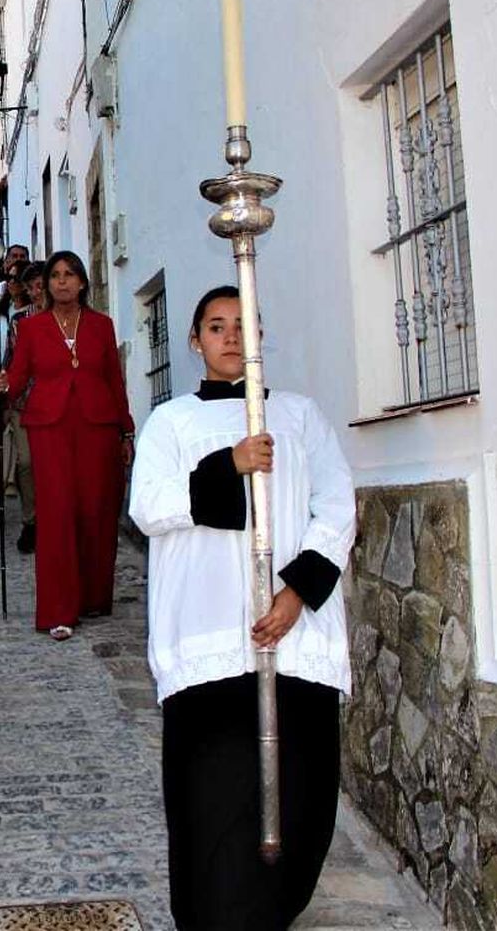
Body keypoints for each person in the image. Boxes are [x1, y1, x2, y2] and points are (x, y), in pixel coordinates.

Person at [128, 286, 355, 931]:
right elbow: (150, 506)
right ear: (195, 340)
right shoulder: (170, 423)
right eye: (216, 326)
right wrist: (228, 462)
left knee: (299, 795)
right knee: (214, 797)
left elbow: (337, 504)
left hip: (294, 637)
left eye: (243, 324)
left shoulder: (301, 415)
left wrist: (298, 593)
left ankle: (276, 909)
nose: (231, 337)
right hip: (208, 640)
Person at [0, 251, 133, 640]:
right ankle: (58, 608)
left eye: (70, 275)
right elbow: (17, 381)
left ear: (83, 282)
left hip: (98, 428)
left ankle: (93, 597)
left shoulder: (102, 326)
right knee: (56, 516)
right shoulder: (32, 328)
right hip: (50, 429)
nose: (62, 282)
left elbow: (114, 382)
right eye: (55, 275)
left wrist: (127, 431)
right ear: (47, 284)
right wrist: (1, 386)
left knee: (95, 512)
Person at [0, 262, 39, 553]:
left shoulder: (67, 320)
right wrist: (3, 397)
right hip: (23, 402)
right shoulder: (21, 322)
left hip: (58, 404)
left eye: (40, 285)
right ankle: (31, 521)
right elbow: (10, 361)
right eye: (32, 287)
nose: (37, 291)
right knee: (26, 462)